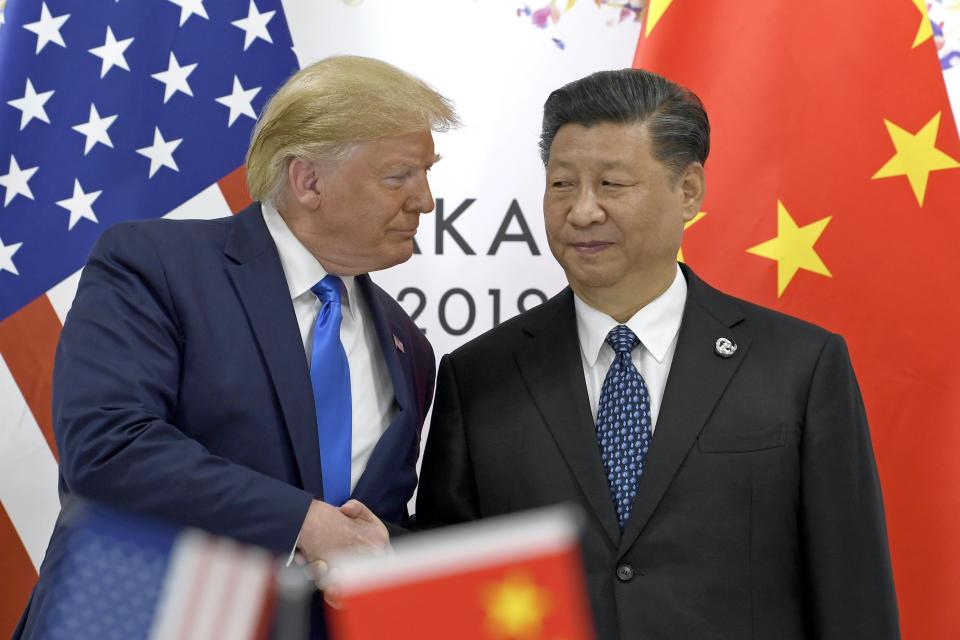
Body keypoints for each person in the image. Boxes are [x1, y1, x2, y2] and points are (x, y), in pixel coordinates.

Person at [416, 68, 899, 639]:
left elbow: (853, 593)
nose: (582, 212)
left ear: (688, 191)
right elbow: (448, 593)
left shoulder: (799, 365)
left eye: (612, 185)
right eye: (562, 184)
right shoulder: (479, 377)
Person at [16, 55, 457, 638]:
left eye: (426, 174)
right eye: (399, 175)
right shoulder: (156, 265)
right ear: (308, 180)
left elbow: (369, 528)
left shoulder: (409, 347)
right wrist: (305, 522)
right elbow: (108, 447)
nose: (425, 201)